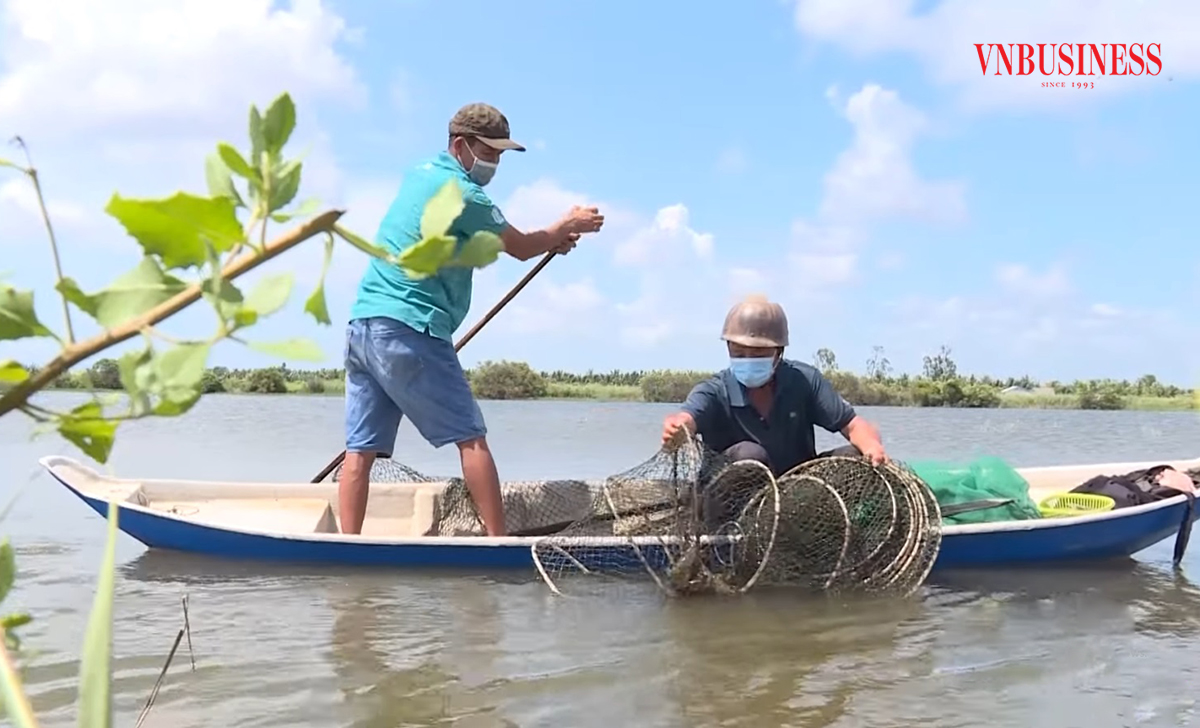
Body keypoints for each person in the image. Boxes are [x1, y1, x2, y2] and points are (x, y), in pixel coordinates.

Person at [339, 102, 605, 536]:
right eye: (490, 152)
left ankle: (347, 545)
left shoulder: (420, 173)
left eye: (501, 155)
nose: (494, 163)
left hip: (365, 325)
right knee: (471, 437)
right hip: (412, 326)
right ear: (460, 146)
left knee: (360, 449)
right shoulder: (465, 194)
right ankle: (498, 546)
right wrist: (563, 227)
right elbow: (518, 246)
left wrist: (550, 241)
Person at [660, 295, 888, 480]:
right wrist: (678, 428)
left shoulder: (804, 380)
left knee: (857, 454)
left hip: (797, 485)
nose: (748, 359)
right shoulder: (715, 390)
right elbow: (687, 417)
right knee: (751, 455)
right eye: (739, 353)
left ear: (779, 352)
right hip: (727, 494)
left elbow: (852, 425)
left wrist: (872, 447)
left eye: (758, 353)